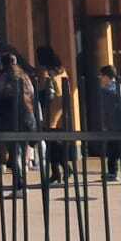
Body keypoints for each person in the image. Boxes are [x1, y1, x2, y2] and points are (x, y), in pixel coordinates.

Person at [0, 49, 38, 190]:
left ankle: (19, 182)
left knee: (14, 152)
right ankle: (21, 179)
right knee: (21, 149)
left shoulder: (2, 78)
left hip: (8, 118)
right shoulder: (24, 77)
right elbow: (33, 93)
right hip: (27, 115)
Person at [34, 45, 74, 184]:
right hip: (61, 102)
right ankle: (59, 170)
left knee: (49, 136)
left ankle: (62, 168)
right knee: (53, 136)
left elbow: (44, 90)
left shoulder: (46, 71)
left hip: (51, 104)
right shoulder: (61, 69)